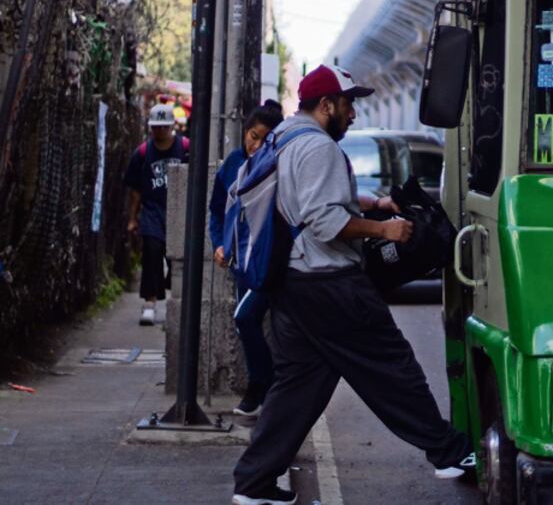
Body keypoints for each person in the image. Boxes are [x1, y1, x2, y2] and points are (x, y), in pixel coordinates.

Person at [232, 65, 472, 505]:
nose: (353, 114)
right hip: (331, 284)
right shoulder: (320, 148)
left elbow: (313, 199)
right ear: (326, 105)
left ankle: (253, 484)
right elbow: (324, 220)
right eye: (348, 104)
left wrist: (375, 202)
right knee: (392, 366)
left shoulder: (283, 137)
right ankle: (450, 454)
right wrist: (384, 229)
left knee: (297, 387)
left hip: (292, 282)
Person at [209, 100, 285, 417]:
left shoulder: (278, 164)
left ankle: (262, 386)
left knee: (245, 318)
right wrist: (219, 244)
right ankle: (267, 390)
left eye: (264, 139)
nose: (255, 145)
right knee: (247, 324)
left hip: (269, 262)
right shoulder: (233, 164)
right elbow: (216, 210)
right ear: (245, 131)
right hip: (240, 262)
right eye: (253, 136)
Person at [124, 103, 189, 326]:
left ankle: (178, 301)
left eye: (164, 127)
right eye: (156, 127)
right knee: (152, 252)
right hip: (153, 212)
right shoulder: (142, 153)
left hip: (179, 212)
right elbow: (135, 190)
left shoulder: (186, 148)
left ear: (172, 126)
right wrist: (133, 218)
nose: (160, 131)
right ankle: (150, 303)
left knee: (178, 259)